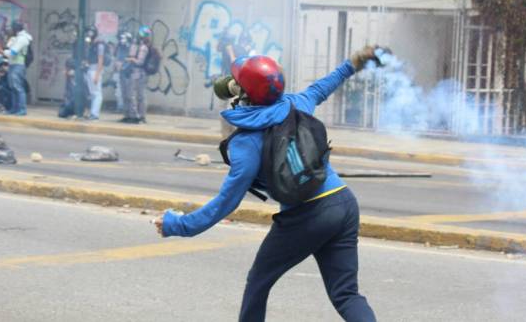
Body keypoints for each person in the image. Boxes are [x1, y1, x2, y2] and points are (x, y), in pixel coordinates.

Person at [153, 47, 381, 322]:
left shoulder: (245, 144)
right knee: (345, 294)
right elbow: (323, 87)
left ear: (245, 95)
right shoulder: (296, 104)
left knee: (259, 282)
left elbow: (226, 202)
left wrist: (178, 224)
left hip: (307, 216)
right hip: (343, 202)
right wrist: (352, 64)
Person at [122, 26, 150, 124]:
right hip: (135, 73)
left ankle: (139, 116)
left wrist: (131, 59)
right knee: (134, 95)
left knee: (138, 96)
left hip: (139, 73)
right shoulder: (137, 45)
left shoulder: (143, 47)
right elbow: (131, 54)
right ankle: (136, 115)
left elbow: (139, 62)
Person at [3, 21, 32, 115]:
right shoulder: (16, 38)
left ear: (16, 29)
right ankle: (14, 109)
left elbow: (13, 52)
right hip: (13, 64)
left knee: (18, 87)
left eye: (11, 28)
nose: (10, 30)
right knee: (13, 87)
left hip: (18, 65)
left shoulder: (22, 39)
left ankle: (22, 109)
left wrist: (1, 51)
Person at [84, 26, 106, 120]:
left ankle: (95, 114)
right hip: (90, 70)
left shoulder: (99, 45)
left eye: (91, 32)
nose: (89, 34)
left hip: (95, 70)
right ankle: (93, 113)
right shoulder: (91, 44)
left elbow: (100, 60)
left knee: (97, 93)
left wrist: (97, 74)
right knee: (93, 93)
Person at [113, 31, 132, 113]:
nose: (121, 40)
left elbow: (130, 59)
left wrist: (123, 66)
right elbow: (116, 57)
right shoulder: (119, 47)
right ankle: (120, 106)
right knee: (119, 91)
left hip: (128, 72)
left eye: (123, 38)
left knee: (129, 91)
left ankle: (128, 108)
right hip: (119, 71)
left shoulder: (131, 47)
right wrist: (117, 65)